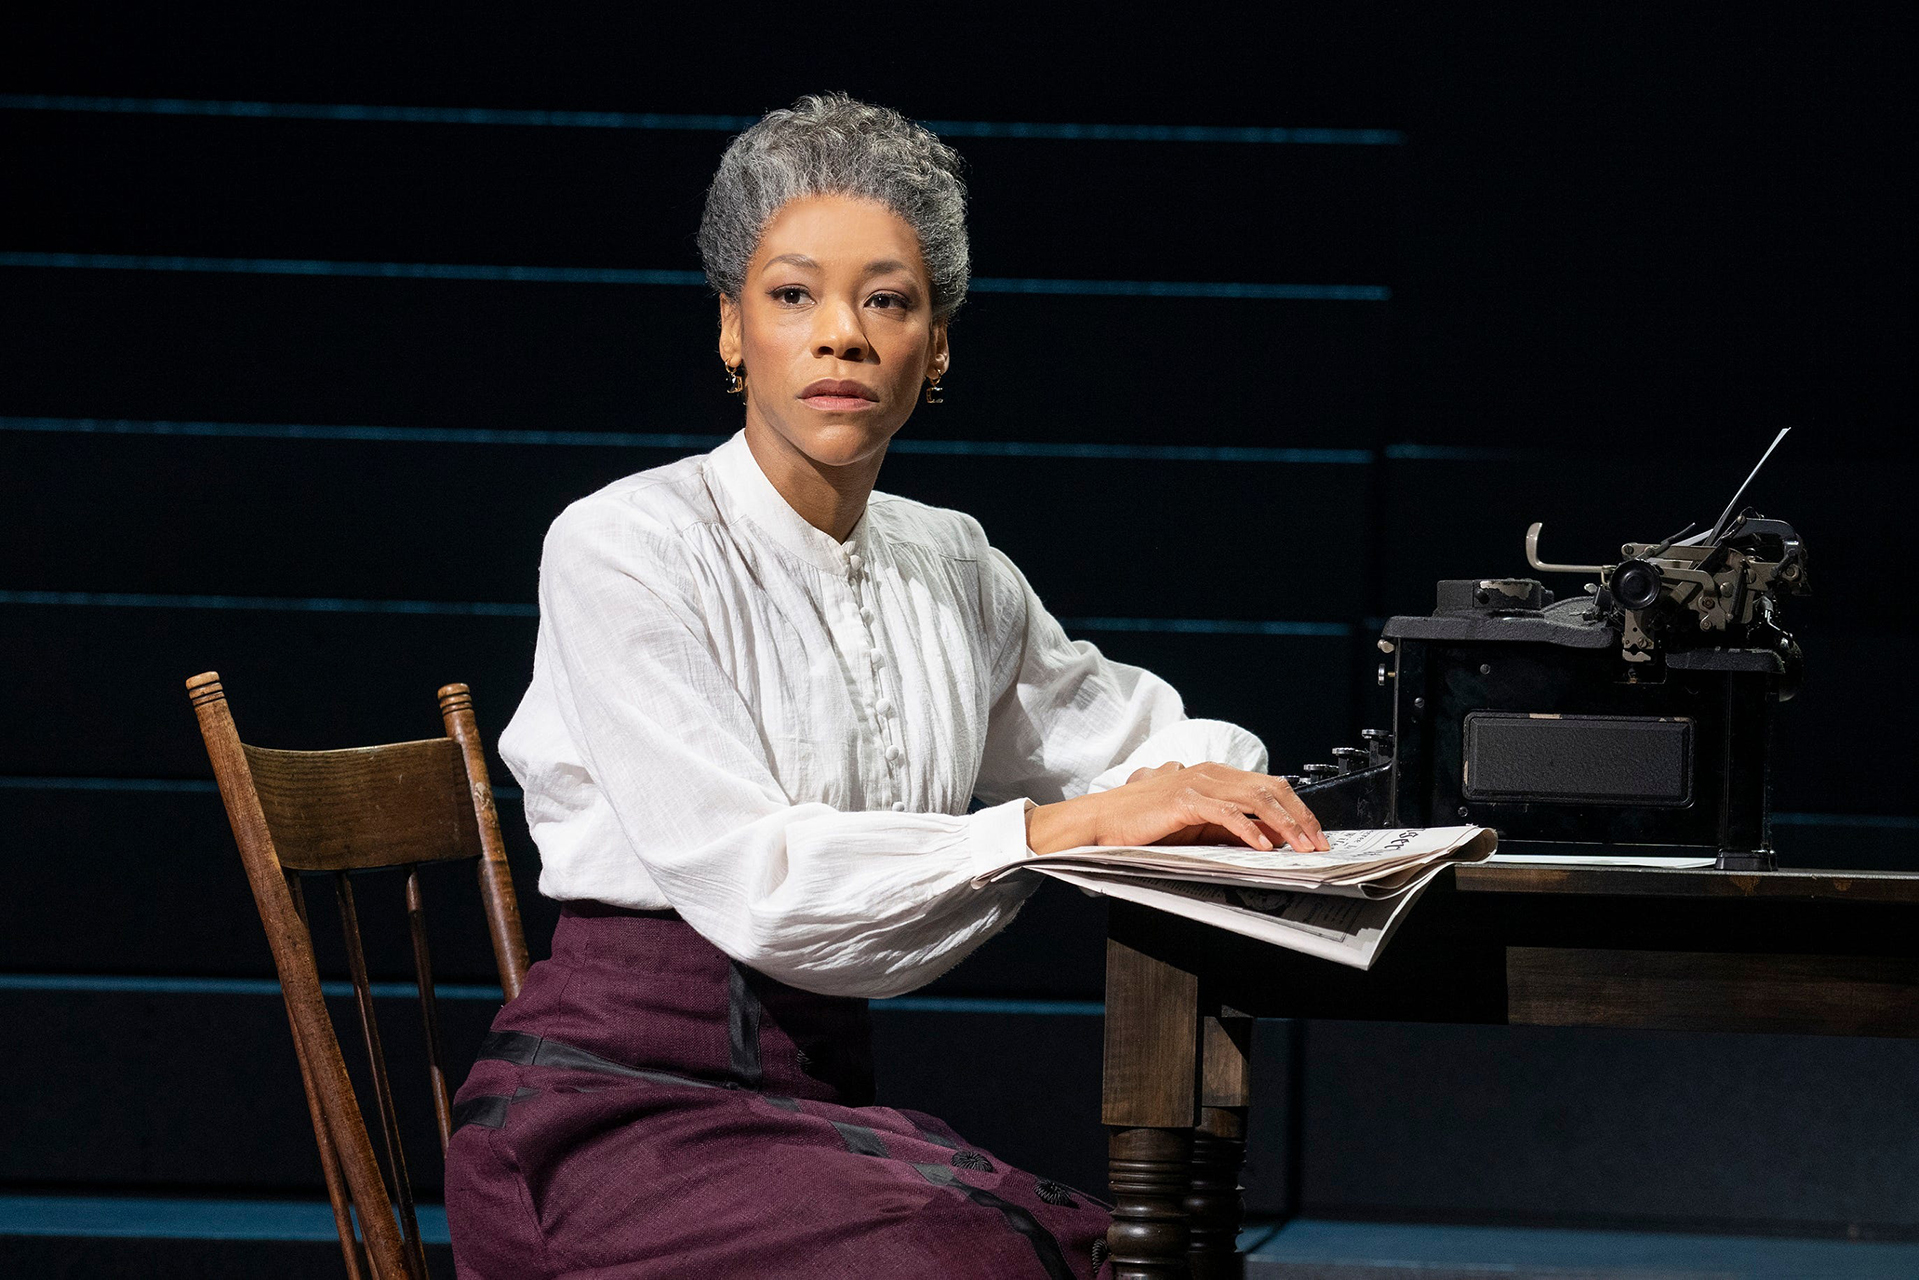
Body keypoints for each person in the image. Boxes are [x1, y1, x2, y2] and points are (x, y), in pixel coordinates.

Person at [446, 92, 1327, 1280]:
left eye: (887, 300)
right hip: (605, 1120)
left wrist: (1231, 796)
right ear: (730, 328)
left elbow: (1149, 744)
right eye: (791, 295)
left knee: (1112, 1252)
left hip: (808, 1111)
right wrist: (1061, 827)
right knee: (990, 1262)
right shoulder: (625, 544)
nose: (841, 336)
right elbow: (761, 882)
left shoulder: (951, 565)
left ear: (938, 343)